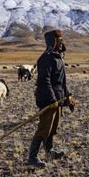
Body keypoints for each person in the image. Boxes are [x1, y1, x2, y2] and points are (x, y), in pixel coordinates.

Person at [28, 29, 70, 168]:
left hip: (57, 99)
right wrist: (52, 99)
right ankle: (32, 158)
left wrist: (67, 97)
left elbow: (62, 81)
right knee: (44, 128)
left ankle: (49, 151)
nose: (61, 43)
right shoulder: (46, 58)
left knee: (52, 128)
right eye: (58, 41)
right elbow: (44, 81)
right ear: (52, 42)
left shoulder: (58, 57)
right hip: (47, 99)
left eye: (61, 40)